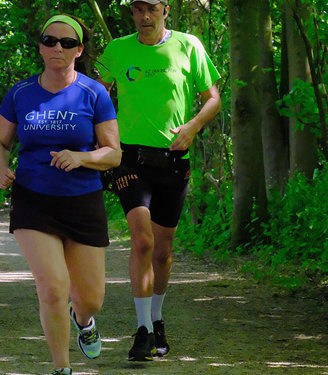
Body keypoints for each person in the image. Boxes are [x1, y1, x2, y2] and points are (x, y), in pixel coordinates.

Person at [0, 14, 121, 375]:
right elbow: (0, 142)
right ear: (40, 47)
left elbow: (113, 153)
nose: (57, 48)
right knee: (52, 285)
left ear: (79, 49)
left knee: (91, 298)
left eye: (66, 42)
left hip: (83, 201)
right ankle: (61, 368)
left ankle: (84, 320)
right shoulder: (21, 93)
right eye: (49, 41)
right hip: (34, 198)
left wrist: (80, 157)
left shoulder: (93, 93)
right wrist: (2, 169)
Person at [95, 0, 222, 362]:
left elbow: (212, 98)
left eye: (150, 8)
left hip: (173, 159)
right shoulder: (117, 49)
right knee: (141, 240)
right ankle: (142, 331)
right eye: (137, 9)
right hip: (129, 158)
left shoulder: (189, 45)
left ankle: (157, 318)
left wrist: (193, 127)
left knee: (163, 251)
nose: (143, 16)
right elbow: (94, 93)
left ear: (165, 9)